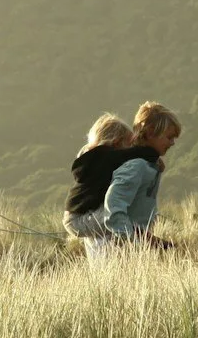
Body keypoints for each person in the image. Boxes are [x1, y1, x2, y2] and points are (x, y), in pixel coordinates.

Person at [87, 102, 182, 256]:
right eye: (169, 137)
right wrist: (134, 243)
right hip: (115, 249)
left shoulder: (147, 163)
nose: (172, 142)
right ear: (150, 132)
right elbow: (113, 209)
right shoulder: (136, 166)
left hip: (123, 245)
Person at [64, 113, 147, 254]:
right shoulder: (104, 161)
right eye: (129, 145)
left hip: (81, 217)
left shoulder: (93, 159)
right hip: (79, 220)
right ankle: (140, 245)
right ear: (115, 144)